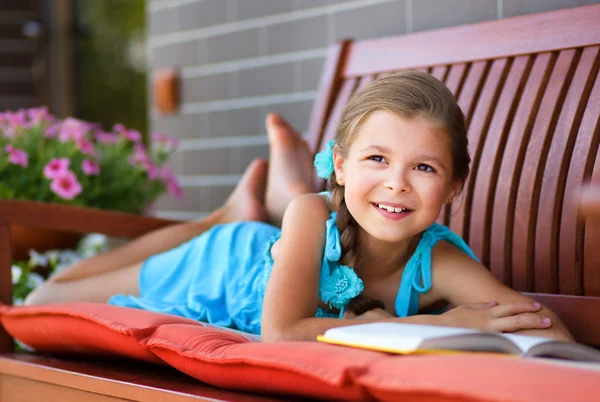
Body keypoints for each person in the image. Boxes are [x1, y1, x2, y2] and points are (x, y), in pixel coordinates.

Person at [25, 72, 574, 343]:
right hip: (219, 268)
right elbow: (283, 333)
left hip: (287, 239)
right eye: (377, 158)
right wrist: (429, 327)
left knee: (306, 212)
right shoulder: (312, 215)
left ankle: (254, 203)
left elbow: (547, 332)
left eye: (424, 168)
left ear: (454, 186)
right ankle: (224, 217)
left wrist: (481, 328)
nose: (397, 184)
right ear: (339, 165)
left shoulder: (440, 263)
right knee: (42, 301)